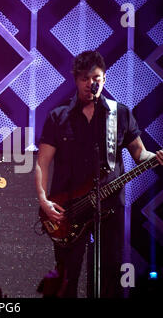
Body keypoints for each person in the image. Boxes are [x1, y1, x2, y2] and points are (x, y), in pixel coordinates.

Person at [35, 50, 163, 298]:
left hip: (110, 208)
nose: (90, 83)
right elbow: (42, 162)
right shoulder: (58, 116)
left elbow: (140, 154)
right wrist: (43, 199)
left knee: (111, 274)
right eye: (84, 78)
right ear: (75, 79)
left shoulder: (120, 113)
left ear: (104, 78)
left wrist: (156, 157)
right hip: (69, 209)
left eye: (96, 77)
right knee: (67, 276)